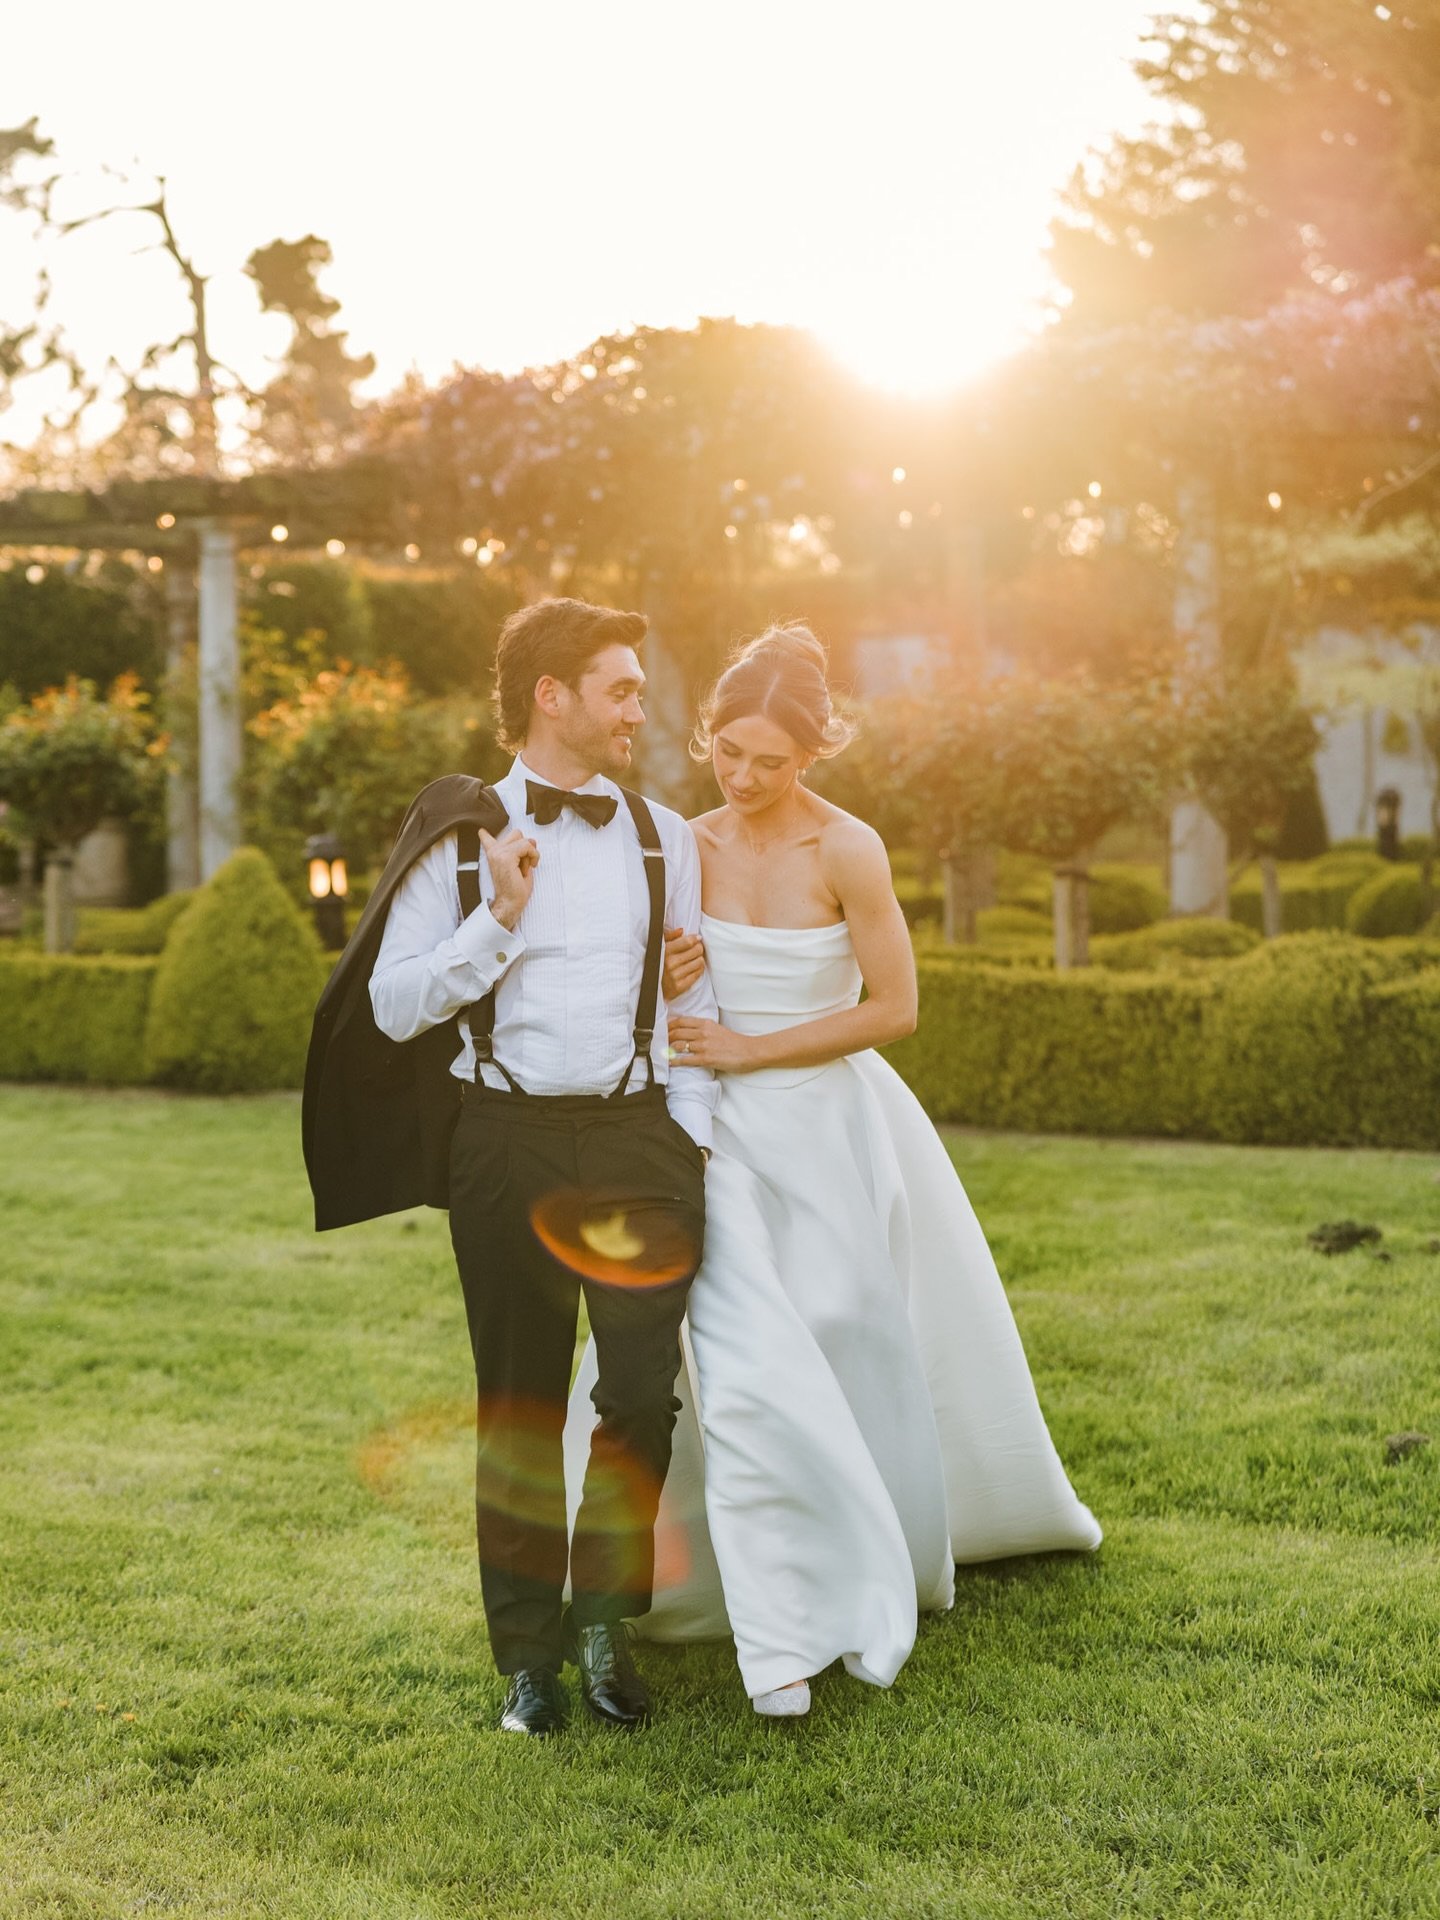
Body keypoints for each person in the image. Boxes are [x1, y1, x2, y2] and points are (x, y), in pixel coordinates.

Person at [565, 623, 1101, 1718]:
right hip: (710, 1131)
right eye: (727, 750)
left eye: (770, 758)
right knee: (735, 1350)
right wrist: (671, 976)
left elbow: (894, 1009)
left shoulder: (849, 849)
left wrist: (756, 1047)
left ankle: (874, 1549)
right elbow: (653, 1000)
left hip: (829, 1122)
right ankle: (750, 1605)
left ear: (814, 752)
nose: (745, 776)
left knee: (849, 1319)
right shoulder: (687, 845)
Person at [367, 597, 718, 1737]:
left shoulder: (668, 835)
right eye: (619, 687)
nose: (639, 708)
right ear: (550, 698)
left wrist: (691, 1132)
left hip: (636, 1141)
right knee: (518, 1404)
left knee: (635, 1396)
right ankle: (527, 1659)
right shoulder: (459, 835)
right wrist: (497, 921)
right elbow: (391, 1005)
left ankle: (608, 1624)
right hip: (504, 1142)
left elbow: (689, 1005)